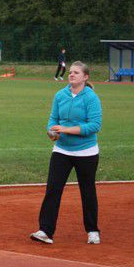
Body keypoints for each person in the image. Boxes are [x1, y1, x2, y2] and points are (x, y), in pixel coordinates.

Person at [31, 61, 102, 245]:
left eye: (76, 73)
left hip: (86, 152)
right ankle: (45, 230)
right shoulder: (60, 95)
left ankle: (92, 230)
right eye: (70, 72)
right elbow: (53, 118)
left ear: (85, 77)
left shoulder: (91, 98)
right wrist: (52, 131)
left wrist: (66, 129)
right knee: (53, 189)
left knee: (87, 191)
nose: (71, 75)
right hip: (62, 150)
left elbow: (95, 126)